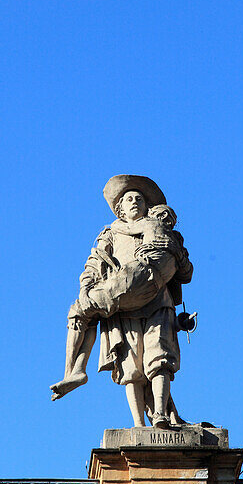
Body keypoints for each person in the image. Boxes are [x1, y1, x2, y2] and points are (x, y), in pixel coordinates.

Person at [50, 175, 192, 428]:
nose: (135, 201)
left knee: (160, 357)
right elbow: (95, 263)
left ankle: (160, 414)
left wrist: (176, 253)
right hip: (123, 304)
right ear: (120, 209)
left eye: (139, 198)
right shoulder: (112, 233)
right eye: (129, 199)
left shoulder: (163, 232)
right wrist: (86, 286)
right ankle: (136, 422)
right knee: (130, 366)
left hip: (158, 302)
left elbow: (185, 274)